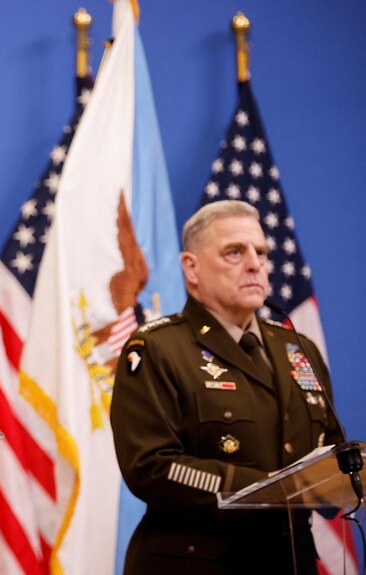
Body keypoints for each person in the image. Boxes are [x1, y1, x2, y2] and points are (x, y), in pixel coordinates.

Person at [111, 200, 342, 574]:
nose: (255, 264)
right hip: (198, 564)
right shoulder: (157, 347)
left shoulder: (297, 348)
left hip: (290, 562)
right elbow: (150, 467)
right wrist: (266, 489)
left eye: (261, 252)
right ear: (191, 268)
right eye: (235, 252)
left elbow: (329, 452)